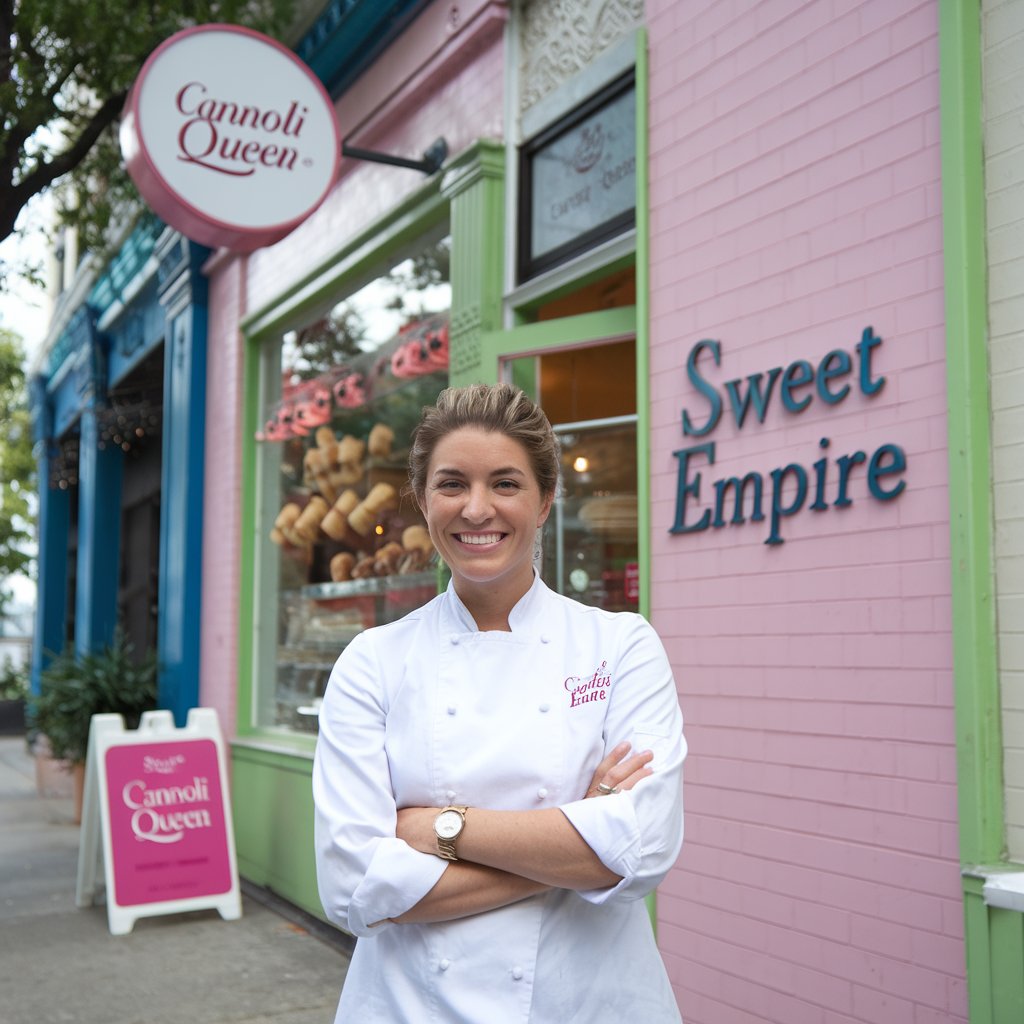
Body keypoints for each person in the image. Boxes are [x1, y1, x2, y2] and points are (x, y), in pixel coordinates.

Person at [313, 382, 686, 1023]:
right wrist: (580, 848)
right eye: (452, 483)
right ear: (424, 500)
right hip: (412, 1006)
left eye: (506, 484)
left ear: (544, 502)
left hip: (588, 1001)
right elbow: (354, 888)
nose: (477, 509)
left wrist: (439, 829)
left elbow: (645, 848)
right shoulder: (372, 662)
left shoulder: (621, 645)